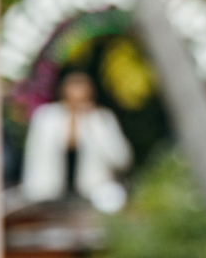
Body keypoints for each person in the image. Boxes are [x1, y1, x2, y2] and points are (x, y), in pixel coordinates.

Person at [21, 71, 132, 213]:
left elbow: (122, 160)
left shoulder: (101, 119)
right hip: (48, 200)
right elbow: (32, 157)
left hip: (91, 199)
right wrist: (31, 191)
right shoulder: (47, 118)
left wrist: (98, 128)